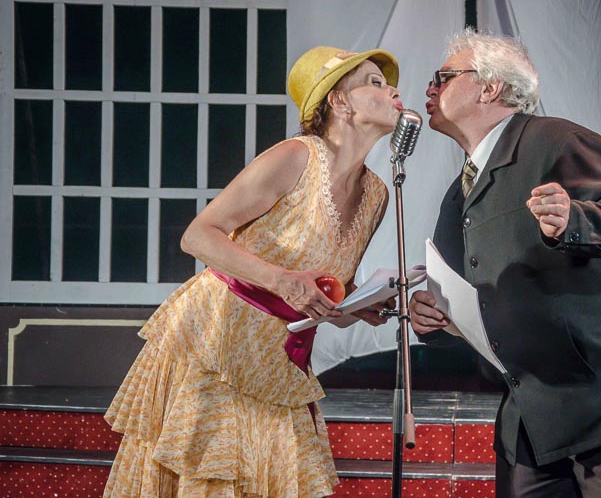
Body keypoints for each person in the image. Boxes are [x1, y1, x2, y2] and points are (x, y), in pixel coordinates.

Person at [409, 29, 601, 497]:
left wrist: (575, 219)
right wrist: (434, 318)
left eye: (443, 77)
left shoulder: (558, 140)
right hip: (534, 410)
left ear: (489, 87)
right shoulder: (459, 193)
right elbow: (471, 293)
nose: (429, 88)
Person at [103, 45, 403, 497]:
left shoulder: (376, 194)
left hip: (277, 363)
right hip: (216, 345)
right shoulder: (295, 157)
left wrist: (356, 304)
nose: (393, 91)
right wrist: (282, 281)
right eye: (375, 83)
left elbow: (324, 291)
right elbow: (198, 236)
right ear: (339, 102)